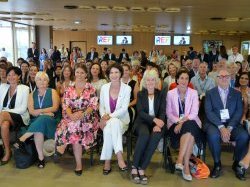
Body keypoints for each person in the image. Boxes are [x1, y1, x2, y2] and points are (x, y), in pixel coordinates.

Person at [55, 64, 99, 176]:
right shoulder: (69, 88)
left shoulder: (91, 88)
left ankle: (62, 146)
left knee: (75, 125)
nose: (79, 75)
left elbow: (93, 106)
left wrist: (82, 114)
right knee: (74, 129)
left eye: (82, 73)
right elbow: (65, 104)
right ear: (74, 73)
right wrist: (71, 115)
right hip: (71, 116)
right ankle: (78, 164)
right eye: (77, 72)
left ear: (86, 74)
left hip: (88, 117)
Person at [204, 69, 249, 180]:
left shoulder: (237, 94)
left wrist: (228, 128)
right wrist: (221, 127)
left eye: (226, 76)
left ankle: (237, 163)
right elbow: (209, 112)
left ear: (230, 78)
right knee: (213, 136)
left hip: (232, 125)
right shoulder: (210, 93)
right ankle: (217, 164)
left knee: (244, 136)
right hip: (214, 124)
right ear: (217, 78)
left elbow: (239, 112)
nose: (224, 78)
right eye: (221, 76)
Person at [14, 72, 60, 168]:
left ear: (48, 82)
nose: (42, 81)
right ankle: (41, 158)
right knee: (38, 130)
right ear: (35, 81)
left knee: (42, 119)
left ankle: (22, 139)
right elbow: (32, 112)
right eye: (39, 79)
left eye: (44, 79)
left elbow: (55, 108)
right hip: (36, 122)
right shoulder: (31, 95)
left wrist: (40, 112)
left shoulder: (52, 91)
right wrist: (45, 112)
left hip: (52, 121)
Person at [166, 68, 202, 181]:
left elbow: (194, 112)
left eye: (186, 78)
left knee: (190, 125)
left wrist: (182, 123)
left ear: (189, 81)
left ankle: (180, 161)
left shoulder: (194, 93)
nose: (184, 81)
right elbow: (168, 113)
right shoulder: (170, 94)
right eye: (181, 78)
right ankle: (185, 166)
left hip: (190, 122)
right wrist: (179, 122)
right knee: (190, 132)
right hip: (174, 125)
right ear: (177, 79)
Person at [130, 69, 165, 184]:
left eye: (153, 80)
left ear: (156, 81)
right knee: (144, 135)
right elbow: (140, 112)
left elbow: (162, 112)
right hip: (142, 122)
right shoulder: (141, 94)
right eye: (148, 80)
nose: (150, 82)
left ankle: (142, 168)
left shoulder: (161, 94)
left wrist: (158, 124)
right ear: (145, 81)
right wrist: (155, 120)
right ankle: (134, 166)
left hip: (157, 124)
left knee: (155, 136)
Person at [99, 63, 131, 175]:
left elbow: (123, 109)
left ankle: (107, 161)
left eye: (116, 72)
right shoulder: (104, 87)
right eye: (111, 72)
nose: (114, 75)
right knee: (111, 126)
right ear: (108, 75)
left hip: (122, 121)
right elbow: (101, 106)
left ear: (121, 73)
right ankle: (119, 157)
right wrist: (103, 116)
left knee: (114, 122)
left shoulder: (127, 88)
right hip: (107, 121)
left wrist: (109, 116)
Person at [0, 67, 30, 165]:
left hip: (20, 117)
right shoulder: (3, 87)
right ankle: (8, 151)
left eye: (14, 75)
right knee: (4, 125)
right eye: (9, 75)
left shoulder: (24, 88)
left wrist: (6, 111)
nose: (11, 77)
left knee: (3, 114)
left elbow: (23, 109)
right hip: (4, 118)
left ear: (19, 76)